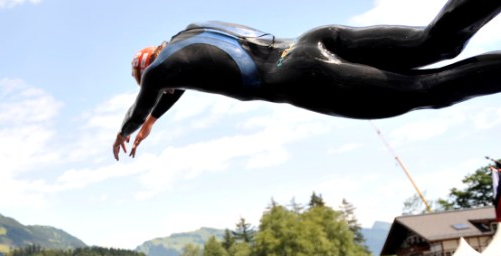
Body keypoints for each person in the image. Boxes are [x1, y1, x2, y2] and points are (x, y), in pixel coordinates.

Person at [114, 0, 501, 160]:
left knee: (426, 90)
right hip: (314, 38)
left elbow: (152, 92)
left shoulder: (163, 70)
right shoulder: (190, 33)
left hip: (301, 74)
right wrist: (155, 119)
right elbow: (175, 83)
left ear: (148, 68)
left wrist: (129, 128)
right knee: (431, 42)